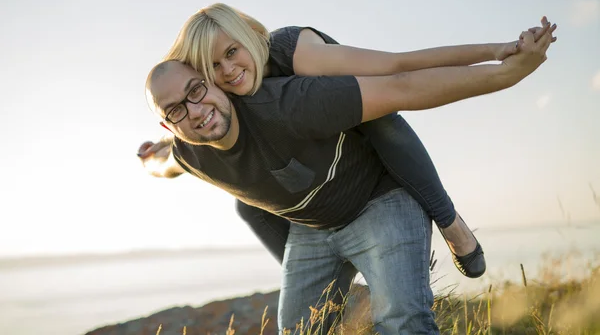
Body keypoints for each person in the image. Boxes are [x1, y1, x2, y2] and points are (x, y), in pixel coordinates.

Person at [141, 22, 555, 334]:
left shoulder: (291, 96)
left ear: (214, 84)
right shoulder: (189, 150)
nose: (195, 110)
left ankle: (452, 225)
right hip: (314, 227)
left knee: (401, 320)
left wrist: (506, 69)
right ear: (168, 127)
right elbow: (166, 165)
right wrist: (149, 161)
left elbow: (401, 81)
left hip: (378, 199)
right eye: (176, 111)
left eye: (196, 91)